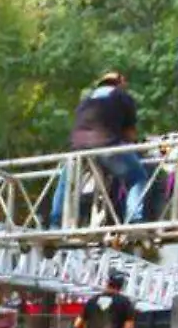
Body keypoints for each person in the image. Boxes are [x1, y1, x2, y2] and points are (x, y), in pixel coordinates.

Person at [52, 71, 152, 228]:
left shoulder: (86, 100)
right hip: (106, 145)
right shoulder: (121, 96)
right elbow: (130, 134)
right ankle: (134, 219)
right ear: (120, 83)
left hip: (78, 148)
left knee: (65, 183)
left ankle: (55, 223)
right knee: (137, 177)